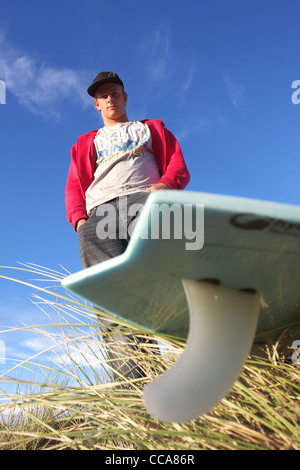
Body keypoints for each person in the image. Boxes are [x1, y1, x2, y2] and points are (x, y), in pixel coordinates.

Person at [65, 71, 190, 381]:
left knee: (168, 288)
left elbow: (176, 162)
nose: (110, 98)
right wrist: (81, 221)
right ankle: (135, 392)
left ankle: (195, 371)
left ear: (125, 97)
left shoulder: (150, 129)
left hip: (145, 204)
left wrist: (165, 186)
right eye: (103, 95)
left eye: (115, 92)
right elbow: (75, 184)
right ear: (96, 104)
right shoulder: (86, 142)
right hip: (100, 216)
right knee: (115, 303)